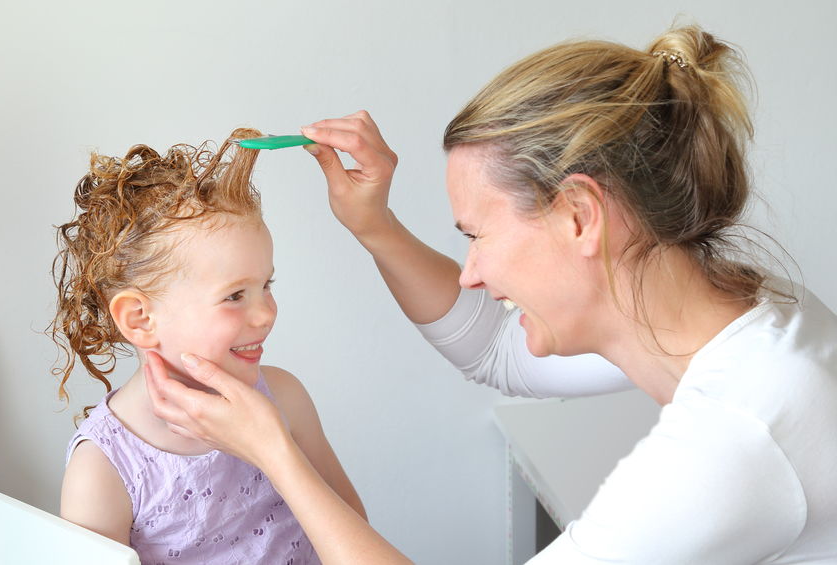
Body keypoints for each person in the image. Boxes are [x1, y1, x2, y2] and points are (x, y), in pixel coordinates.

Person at [146, 25, 837, 564]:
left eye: (477, 235)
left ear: (578, 216)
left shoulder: (738, 437)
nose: (470, 271)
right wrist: (375, 226)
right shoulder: (754, 314)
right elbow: (497, 349)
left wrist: (275, 453)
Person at [50, 129, 366, 564]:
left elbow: (353, 529)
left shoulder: (285, 398)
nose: (266, 313)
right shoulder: (104, 471)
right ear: (141, 319)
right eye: (235, 295)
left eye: (265, 285)